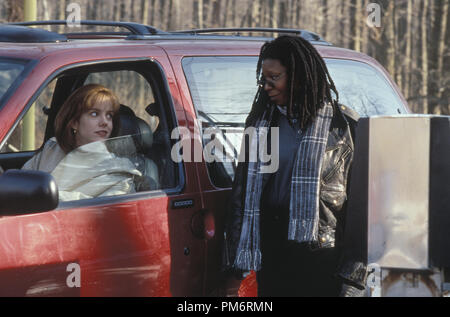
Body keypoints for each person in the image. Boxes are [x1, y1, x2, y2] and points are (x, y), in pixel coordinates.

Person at [222, 35, 367, 297]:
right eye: (263, 79)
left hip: (322, 256)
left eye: (274, 77)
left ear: (298, 76)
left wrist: (354, 276)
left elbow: (364, 211)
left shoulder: (344, 128)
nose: (266, 86)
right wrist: (234, 267)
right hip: (272, 249)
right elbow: (241, 196)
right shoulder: (260, 122)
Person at [22, 84, 141, 201]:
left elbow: (102, 212)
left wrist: (41, 194)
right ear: (74, 122)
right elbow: (20, 183)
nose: (105, 122)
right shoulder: (51, 150)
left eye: (109, 116)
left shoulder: (119, 172)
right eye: (94, 114)